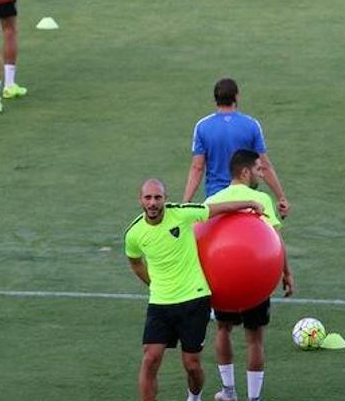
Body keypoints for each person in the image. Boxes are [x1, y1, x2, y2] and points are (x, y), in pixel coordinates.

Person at [125, 178, 265, 401]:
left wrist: (249, 202)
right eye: (148, 197)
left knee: (192, 365)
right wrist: (153, 283)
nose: (152, 203)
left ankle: (194, 396)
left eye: (157, 197)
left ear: (165, 199)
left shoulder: (182, 213)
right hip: (160, 303)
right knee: (150, 358)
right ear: (140, 200)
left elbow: (217, 209)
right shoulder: (134, 233)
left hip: (194, 299)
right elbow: (134, 261)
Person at [204, 150, 294, 401]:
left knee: (223, 329)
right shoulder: (260, 198)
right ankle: (254, 398)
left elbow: (200, 238)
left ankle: (229, 391)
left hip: (222, 279)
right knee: (255, 338)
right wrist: (286, 272)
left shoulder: (215, 199)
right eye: (258, 170)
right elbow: (275, 239)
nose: (261, 174)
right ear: (244, 172)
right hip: (255, 278)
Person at [183, 78, 290, 218]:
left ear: (215, 100)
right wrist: (281, 198)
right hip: (247, 200)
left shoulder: (203, 126)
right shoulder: (251, 125)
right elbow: (264, 165)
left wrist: (186, 202)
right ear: (237, 97)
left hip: (216, 201)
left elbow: (197, 168)